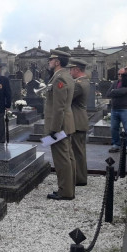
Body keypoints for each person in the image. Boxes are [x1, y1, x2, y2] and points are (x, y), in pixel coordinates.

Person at [44, 49, 76, 201]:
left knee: (62, 160)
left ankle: (65, 192)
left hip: (60, 126)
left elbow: (59, 107)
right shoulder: (66, 76)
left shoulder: (59, 79)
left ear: (57, 62)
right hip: (66, 123)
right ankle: (68, 189)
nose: (49, 62)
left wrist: (54, 129)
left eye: (51, 60)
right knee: (68, 157)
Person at [68, 58, 90, 186]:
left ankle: (80, 178)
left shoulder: (79, 84)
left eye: (71, 69)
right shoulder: (84, 81)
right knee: (79, 150)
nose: (70, 72)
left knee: (78, 151)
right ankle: (79, 176)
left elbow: (66, 98)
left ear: (77, 69)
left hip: (77, 121)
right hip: (79, 120)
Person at [106, 68, 127, 154]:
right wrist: (115, 92)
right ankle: (116, 145)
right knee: (114, 128)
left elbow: (123, 92)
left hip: (125, 109)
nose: (120, 76)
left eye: (121, 74)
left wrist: (115, 91)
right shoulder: (115, 83)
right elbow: (108, 94)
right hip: (114, 109)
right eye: (118, 74)